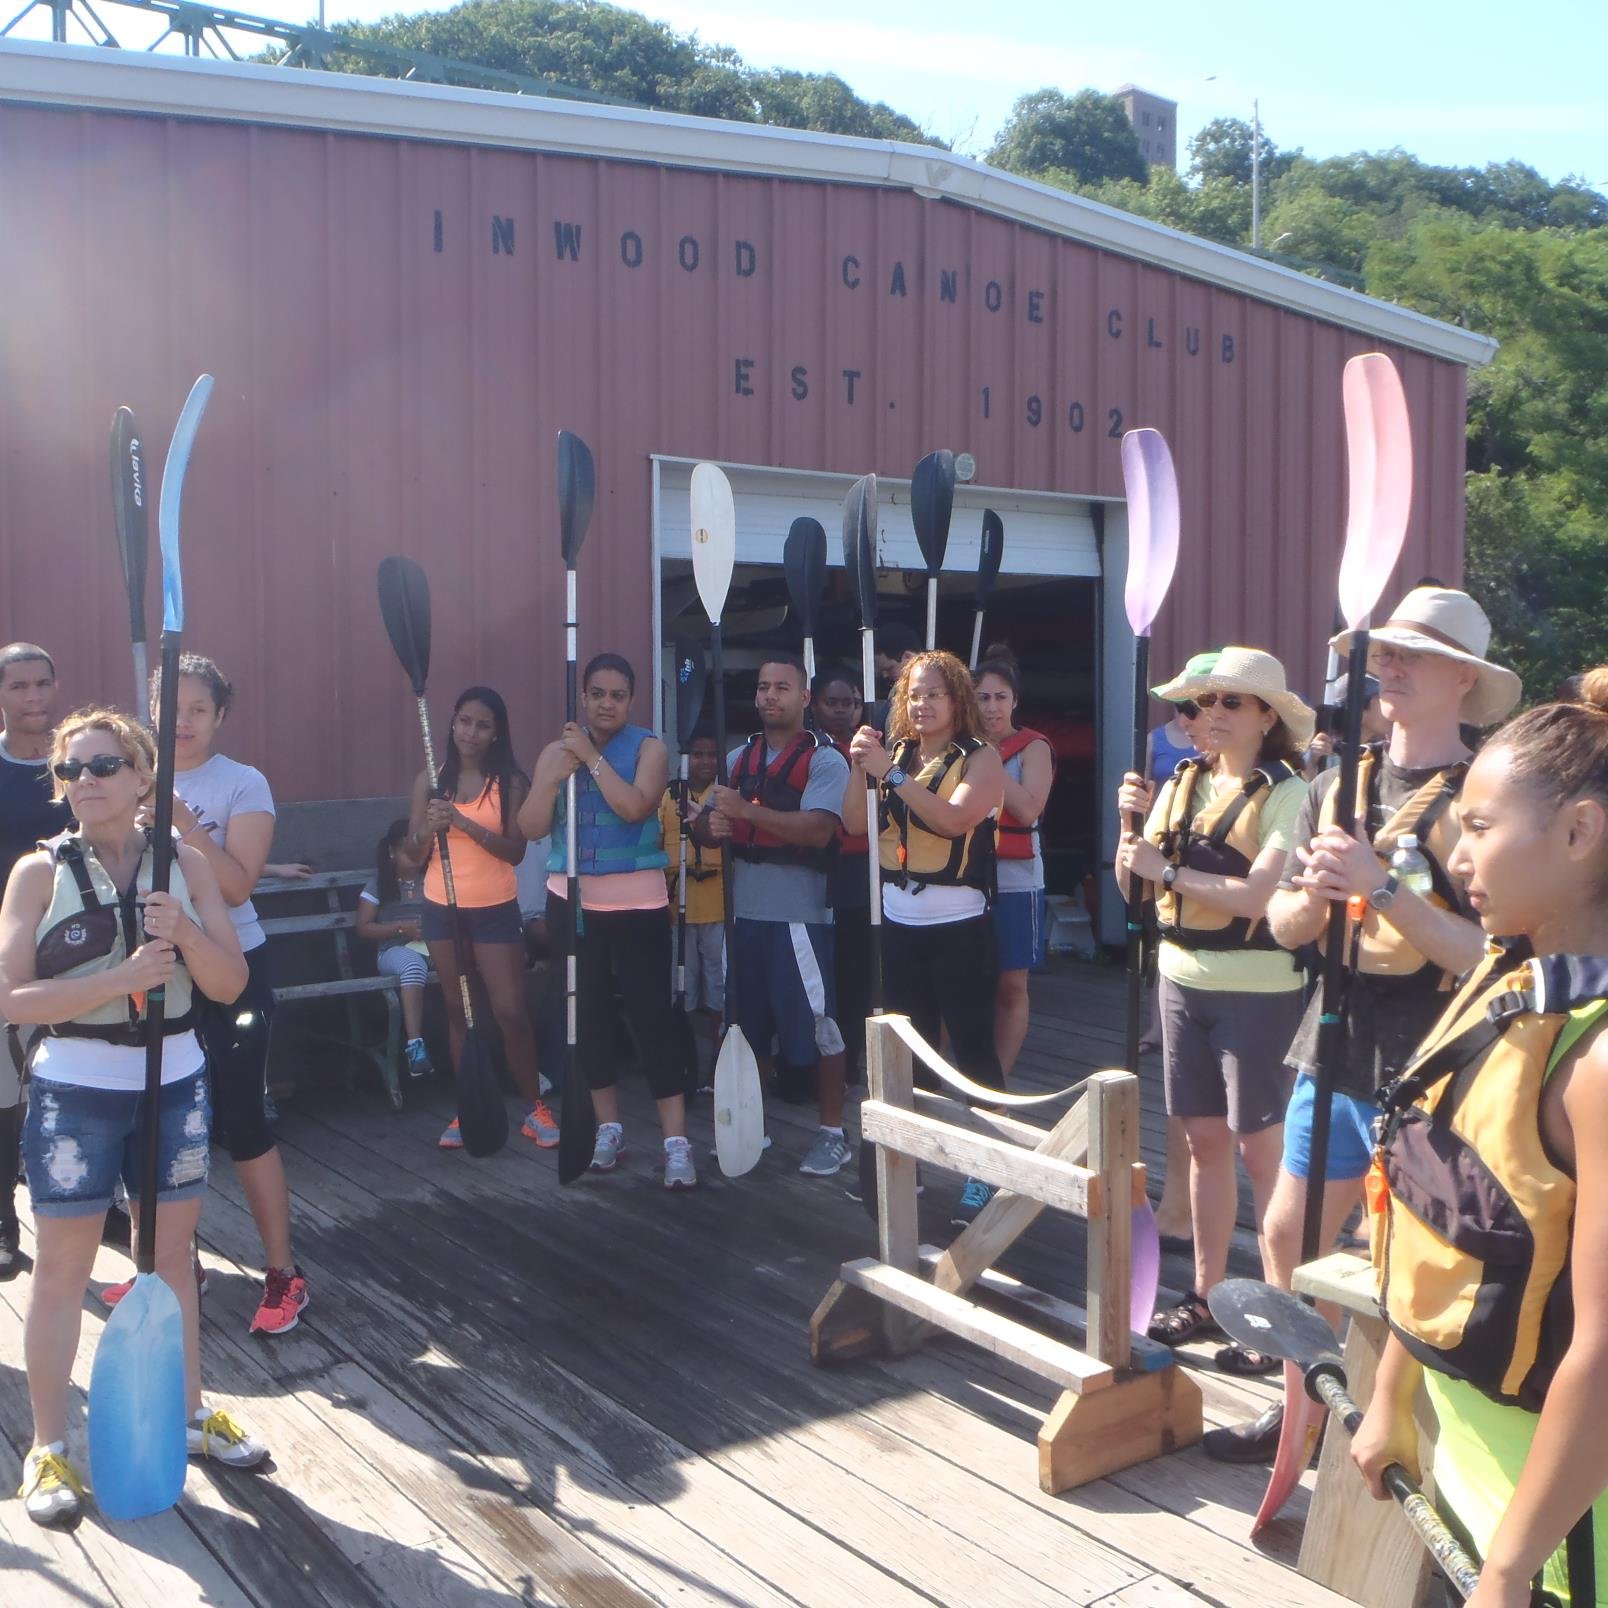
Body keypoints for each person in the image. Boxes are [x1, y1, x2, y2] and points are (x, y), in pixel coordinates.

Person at [1208, 587, 1519, 1460]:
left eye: (1411, 653)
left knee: (1412, 1257)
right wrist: (1317, 893)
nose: (1388, 666)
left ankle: (1403, 1430)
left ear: (1463, 677)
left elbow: (1487, 955)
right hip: (1335, 1036)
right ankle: (1304, 1406)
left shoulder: (1484, 795)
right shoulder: (1335, 784)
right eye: (1383, 652)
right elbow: (1283, 929)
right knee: (1283, 1232)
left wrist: (1381, 886)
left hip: (1440, 1061)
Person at [1353, 675, 1608, 1607]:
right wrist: (1392, 1401)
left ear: (1579, 834)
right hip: (1473, 1477)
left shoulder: (1596, 1059)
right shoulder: (1508, 975)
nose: (1456, 854)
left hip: (1567, 1544)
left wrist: (1507, 1572)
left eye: (1482, 826)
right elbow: (1440, 1202)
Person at [1, 708, 268, 1527]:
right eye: (71, 770)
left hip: (175, 1079)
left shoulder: (182, 862)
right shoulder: (37, 875)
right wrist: (120, 980)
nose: (84, 781)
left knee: (172, 1260)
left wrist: (182, 928)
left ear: (145, 778)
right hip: (76, 1088)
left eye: (105, 765)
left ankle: (188, 1418)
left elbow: (228, 984)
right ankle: (49, 1448)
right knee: (63, 1270)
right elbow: (10, 998)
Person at [1115, 647, 1312, 1365]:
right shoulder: (1180, 781)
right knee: (1202, 1144)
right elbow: (1131, 888)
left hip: (1257, 989)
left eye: (1232, 702)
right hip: (1180, 977)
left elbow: (1260, 896)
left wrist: (1163, 867)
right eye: (1204, 703)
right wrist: (1127, 828)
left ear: (1267, 717)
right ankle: (1206, 1293)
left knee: (1263, 1153)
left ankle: (1275, 1313)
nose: (1212, 715)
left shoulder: (1290, 794)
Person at [102, 655, 310, 1335]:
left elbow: (237, 885)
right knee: (151, 1120)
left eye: (198, 709)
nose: (183, 722)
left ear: (221, 715)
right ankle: (164, 1267)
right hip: (155, 964)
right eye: (173, 707)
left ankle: (283, 1274)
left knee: (243, 1121)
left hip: (231, 962)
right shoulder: (128, 777)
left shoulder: (243, 784)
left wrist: (184, 823)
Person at [519, 653, 695, 1188]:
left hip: (637, 907)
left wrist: (591, 759)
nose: (606, 704)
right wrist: (552, 777)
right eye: (597, 694)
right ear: (584, 697)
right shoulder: (557, 751)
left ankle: (676, 1142)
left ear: (631, 700)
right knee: (587, 1019)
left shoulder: (650, 748)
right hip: (571, 905)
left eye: (617, 695)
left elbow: (636, 807)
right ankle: (608, 1128)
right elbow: (528, 827)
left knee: (651, 1020)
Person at [844, 650, 1005, 1221]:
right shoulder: (899, 755)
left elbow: (953, 820)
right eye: (913, 693)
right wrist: (860, 766)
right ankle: (901, 1165)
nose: (922, 703)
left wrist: (888, 773)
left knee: (971, 1050)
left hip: (960, 925)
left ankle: (985, 1174)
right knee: (904, 1056)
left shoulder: (982, 759)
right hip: (900, 923)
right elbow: (853, 824)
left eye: (934, 693)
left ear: (957, 699)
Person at [699, 653, 852, 1177]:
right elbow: (703, 824)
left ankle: (833, 1132)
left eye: (781, 687)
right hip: (742, 913)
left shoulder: (828, 760)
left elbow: (818, 830)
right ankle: (748, 1124)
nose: (770, 696)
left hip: (799, 918)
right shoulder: (737, 758)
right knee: (740, 1024)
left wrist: (743, 812)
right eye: (763, 686)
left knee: (819, 1025)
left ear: (803, 699)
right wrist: (711, 826)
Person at [408, 685, 555, 1152]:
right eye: (465, 721)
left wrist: (464, 824)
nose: (471, 732)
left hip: (493, 910)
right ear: (451, 724)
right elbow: (411, 858)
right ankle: (467, 1107)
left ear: (496, 733)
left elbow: (515, 851)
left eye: (483, 724)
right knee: (458, 1012)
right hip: (441, 908)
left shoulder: (509, 782)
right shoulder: (430, 780)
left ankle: (535, 1107)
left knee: (509, 1011)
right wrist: (428, 831)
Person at [0, 644, 70, 1280]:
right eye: (18, 685)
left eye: (42, 684)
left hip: (81, 946)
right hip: (7, 949)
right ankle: (3, 1217)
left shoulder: (78, 764)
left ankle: (97, 1203)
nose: (33, 697)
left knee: (74, 1076)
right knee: (3, 1087)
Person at [973, 647, 1054, 1081]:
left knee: (1011, 983)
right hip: (964, 876)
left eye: (1000, 697)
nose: (992, 707)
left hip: (1017, 878)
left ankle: (995, 1081)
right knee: (962, 980)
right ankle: (954, 1070)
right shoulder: (955, 747)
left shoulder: (1033, 747)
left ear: (1014, 701)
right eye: (982, 698)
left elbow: (1027, 811)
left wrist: (987, 762)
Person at [813, 667, 872, 1085]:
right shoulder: (807, 748)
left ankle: (849, 1060)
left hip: (858, 872)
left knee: (853, 974)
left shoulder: (871, 750)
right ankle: (807, 1063)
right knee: (818, 972)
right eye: (831, 703)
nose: (839, 710)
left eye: (847, 703)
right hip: (814, 867)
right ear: (814, 705)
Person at [658, 729, 724, 1092]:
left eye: (712, 755)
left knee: (718, 991)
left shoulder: (727, 796)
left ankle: (718, 1061)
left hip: (717, 910)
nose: (705, 761)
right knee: (680, 991)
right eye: (697, 754)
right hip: (677, 912)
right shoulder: (668, 796)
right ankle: (683, 1060)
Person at [354, 819, 433, 1079]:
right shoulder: (380, 883)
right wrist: (400, 928)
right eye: (406, 850)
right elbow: (364, 927)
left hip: (434, 946)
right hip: (394, 950)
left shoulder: (432, 879)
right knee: (412, 965)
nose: (415, 857)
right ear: (391, 851)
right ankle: (415, 1045)